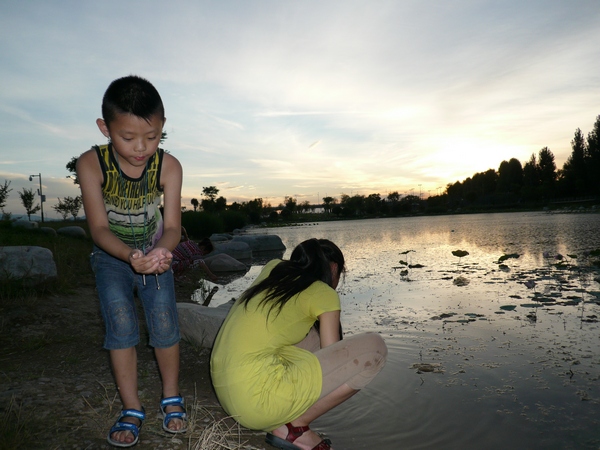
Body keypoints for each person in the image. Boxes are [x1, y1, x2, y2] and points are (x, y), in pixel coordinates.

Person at [77, 75, 187, 447]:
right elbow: (98, 228)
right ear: (105, 128)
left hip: (155, 253)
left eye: (152, 136)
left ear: (162, 127)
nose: (141, 148)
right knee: (121, 325)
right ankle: (131, 407)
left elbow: (172, 226)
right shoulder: (91, 164)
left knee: (164, 323)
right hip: (111, 257)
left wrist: (161, 252)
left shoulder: (169, 166)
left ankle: (171, 396)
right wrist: (128, 256)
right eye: (127, 138)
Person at [210, 238, 387, 450]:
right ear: (333, 268)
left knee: (310, 335)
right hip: (256, 405)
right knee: (376, 349)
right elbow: (335, 356)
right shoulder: (322, 292)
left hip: (229, 391)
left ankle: (286, 415)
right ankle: (296, 427)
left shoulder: (273, 268)